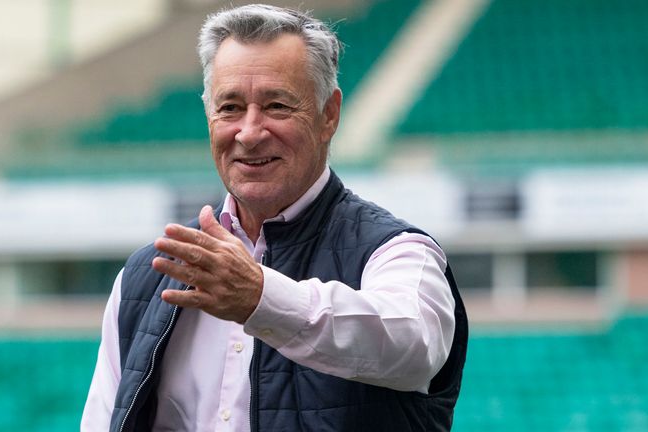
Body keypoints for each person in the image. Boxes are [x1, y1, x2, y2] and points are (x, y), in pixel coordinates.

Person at [82, 4, 467, 431]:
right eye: (229, 107)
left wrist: (261, 299)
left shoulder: (400, 252)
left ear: (329, 115)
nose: (249, 132)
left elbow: (412, 348)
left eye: (277, 105)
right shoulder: (143, 276)